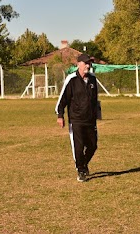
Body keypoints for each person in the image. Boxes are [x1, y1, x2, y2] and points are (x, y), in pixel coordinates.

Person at [55, 53, 98, 182]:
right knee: (78, 147)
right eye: (85, 63)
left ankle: (83, 164)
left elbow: (95, 99)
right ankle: (81, 170)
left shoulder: (92, 79)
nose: (88, 66)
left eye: (89, 63)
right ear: (78, 64)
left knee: (92, 145)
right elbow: (63, 99)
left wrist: (97, 115)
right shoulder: (71, 79)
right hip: (76, 120)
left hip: (90, 119)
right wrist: (60, 115)